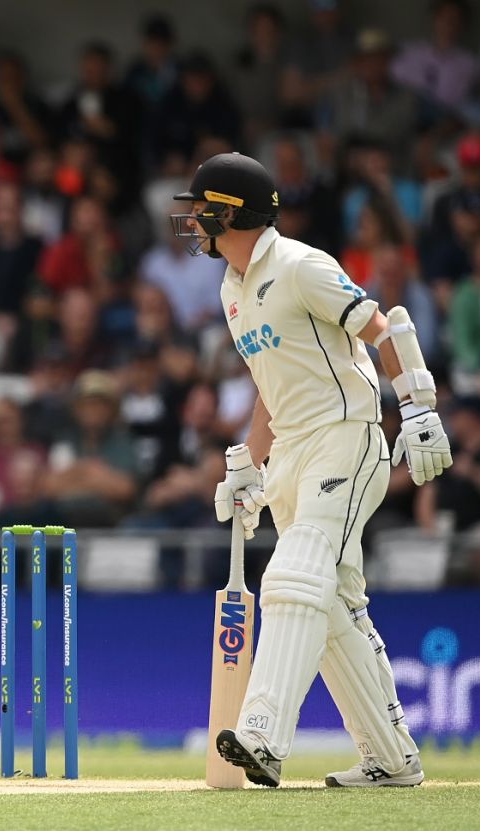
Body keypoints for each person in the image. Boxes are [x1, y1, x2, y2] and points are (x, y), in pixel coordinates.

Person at [171, 152, 453, 788]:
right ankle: (391, 757)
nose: (194, 225)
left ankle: (262, 735)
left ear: (230, 212)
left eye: (201, 213)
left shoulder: (301, 266)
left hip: (346, 440)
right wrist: (248, 463)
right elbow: (269, 390)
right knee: (331, 609)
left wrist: (418, 408)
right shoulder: (231, 289)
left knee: (293, 578)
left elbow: (383, 327)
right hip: (291, 456)